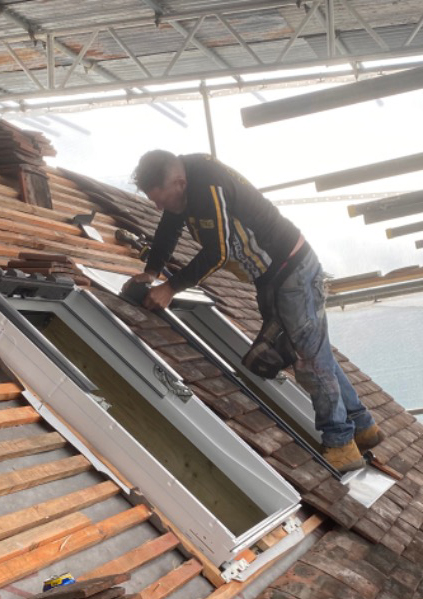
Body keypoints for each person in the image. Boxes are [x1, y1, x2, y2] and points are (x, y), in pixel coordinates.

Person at [126, 149, 382, 473]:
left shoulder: (207, 187)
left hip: (292, 273)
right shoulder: (184, 184)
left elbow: (218, 252)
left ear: (178, 181)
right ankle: (363, 426)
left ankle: (341, 443)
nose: (160, 207)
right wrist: (152, 270)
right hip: (279, 273)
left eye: (161, 198)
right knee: (315, 351)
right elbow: (169, 225)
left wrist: (169, 288)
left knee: (309, 360)